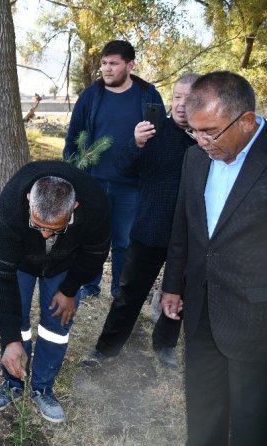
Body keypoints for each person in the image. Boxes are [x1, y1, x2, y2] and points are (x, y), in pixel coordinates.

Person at [160, 71, 267, 445]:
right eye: (195, 131)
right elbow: (184, 228)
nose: (202, 142)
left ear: (247, 121)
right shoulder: (195, 158)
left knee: (253, 418)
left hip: (256, 316)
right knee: (204, 405)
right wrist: (172, 285)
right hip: (202, 306)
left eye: (211, 132)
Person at [82, 74, 200, 370]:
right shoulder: (153, 132)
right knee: (128, 296)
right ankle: (106, 350)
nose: (181, 105)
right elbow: (123, 166)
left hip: (187, 238)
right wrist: (135, 143)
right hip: (149, 229)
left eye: (189, 99)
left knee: (178, 297)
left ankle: (165, 345)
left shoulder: (207, 140)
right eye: (176, 97)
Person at [0, 161, 110, 423]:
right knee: (15, 319)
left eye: (54, 229)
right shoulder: (9, 207)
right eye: (37, 224)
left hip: (65, 264)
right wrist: (10, 340)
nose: (43, 235)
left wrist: (69, 288)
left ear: (74, 207)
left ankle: (42, 387)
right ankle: (13, 382)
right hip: (21, 262)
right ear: (29, 200)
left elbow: (95, 252)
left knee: (56, 323)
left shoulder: (95, 203)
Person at [64, 40, 164, 299]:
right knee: (92, 237)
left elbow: (160, 139)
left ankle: (120, 289)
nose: (107, 69)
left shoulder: (147, 95)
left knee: (124, 242)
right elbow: (73, 136)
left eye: (113, 64)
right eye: (104, 64)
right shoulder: (91, 95)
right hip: (93, 182)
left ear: (130, 65)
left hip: (131, 185)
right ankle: (89, 285)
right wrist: (74, 175)